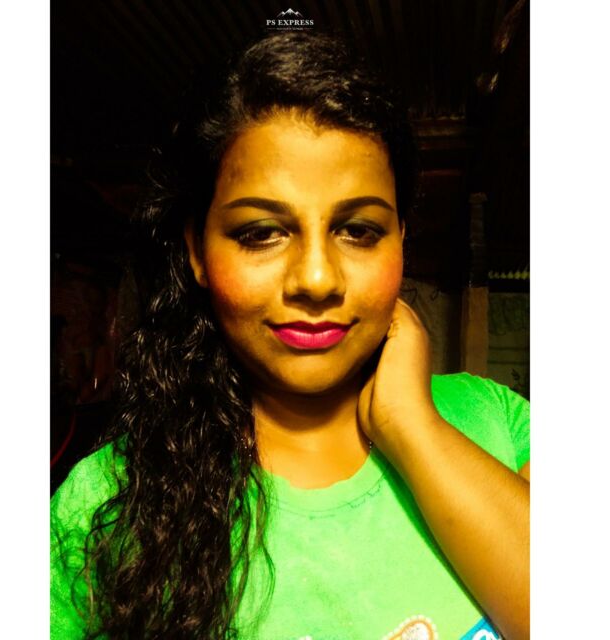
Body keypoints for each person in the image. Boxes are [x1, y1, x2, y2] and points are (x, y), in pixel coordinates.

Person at [51, 31, 529, 640]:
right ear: (197, 252)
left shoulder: (497, 421)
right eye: (260, 233)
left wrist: (414, 429)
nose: (317, 279)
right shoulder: (100, 506)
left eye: (359, 230)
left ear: (401, 240)